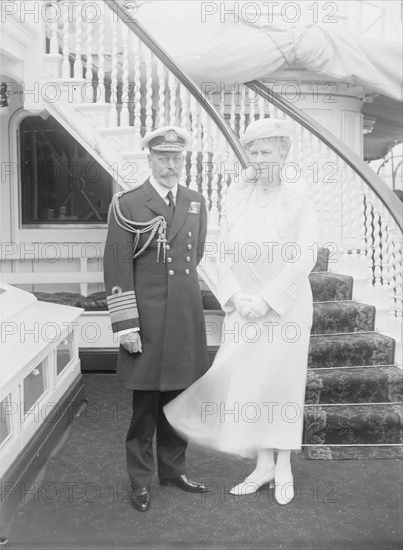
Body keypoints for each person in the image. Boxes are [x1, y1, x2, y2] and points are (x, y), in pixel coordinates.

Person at [164, 118, 320, 505]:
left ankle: (283, 466)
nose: (259, 158)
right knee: (250, 385)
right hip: (243, 309)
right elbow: (217, 252)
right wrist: (235, 297)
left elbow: (304, 257)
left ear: (284, 152)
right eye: (252, 151)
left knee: (281, 386)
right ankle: (262, 465)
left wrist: (265, 300)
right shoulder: (238, 193)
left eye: (266, 151)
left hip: (284, 309)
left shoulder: (298, 195)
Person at [103, 125, 210, 512]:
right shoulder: (128, 204)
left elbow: (194, 257)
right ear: (149, 159)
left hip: (183, 318)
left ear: (184, 160)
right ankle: (140, 480)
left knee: (179, 400)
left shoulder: (196, 201)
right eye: (163, 158)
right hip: (145, 322)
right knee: (145, 408)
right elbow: (116, 268)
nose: (170, 165)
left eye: (176, 158)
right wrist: (126, 325)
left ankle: (173, 470)